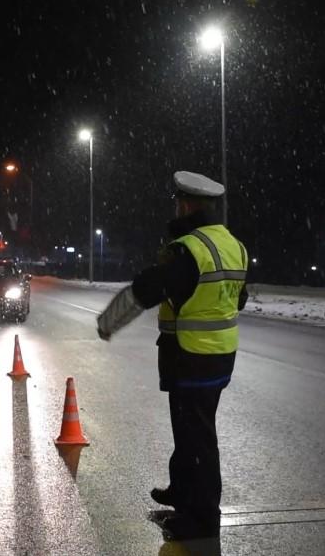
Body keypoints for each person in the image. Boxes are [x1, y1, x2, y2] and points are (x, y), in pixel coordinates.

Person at [96, 170, 248, 541]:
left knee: (197, 437)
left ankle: (202, 518)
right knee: (190, 430)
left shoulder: (191, 249)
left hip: (193, 357)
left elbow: (148, 289)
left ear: (188, 204)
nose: (176, 208)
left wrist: (108, 322)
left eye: (179, 202)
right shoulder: (232, 244)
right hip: (218, 356)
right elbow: (238, 298)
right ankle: (182, 491)